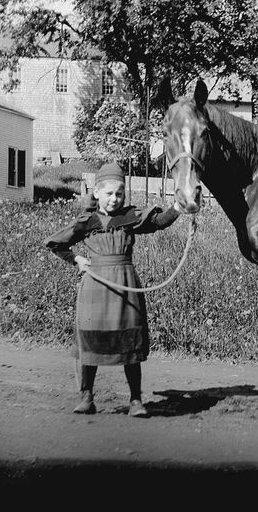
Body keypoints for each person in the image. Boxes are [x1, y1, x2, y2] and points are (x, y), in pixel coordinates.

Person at [45, 162, 180, 417]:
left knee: (130, 343)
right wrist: (76, 260)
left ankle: (136, 400)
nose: (114, 199)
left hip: (126, 285)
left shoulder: (130, 218)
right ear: (96, 193)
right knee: (90, 343)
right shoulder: (87, 221)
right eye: (108, 193)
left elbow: (160, 221)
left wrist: (179, 208)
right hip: (95, 287)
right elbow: (55, 243)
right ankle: (86, 397)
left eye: (119, 194)